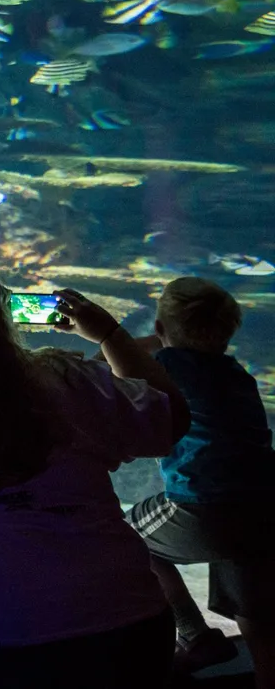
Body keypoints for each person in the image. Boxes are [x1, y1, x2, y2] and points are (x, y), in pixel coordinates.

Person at [0, 253, 191, 689]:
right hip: (114, 624)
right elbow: (171, 420)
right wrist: (108, 333)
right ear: (1, 315)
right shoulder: (65, 381)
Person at [122, 277, 275, 686]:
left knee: (121, 536)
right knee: (255, 609)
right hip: (262, 506)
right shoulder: (235, 372)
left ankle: (194, 634)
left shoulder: (170, 367)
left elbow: (123, 366)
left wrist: (109, 335)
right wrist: (164, 339)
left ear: (158, 329)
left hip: (201, 506)